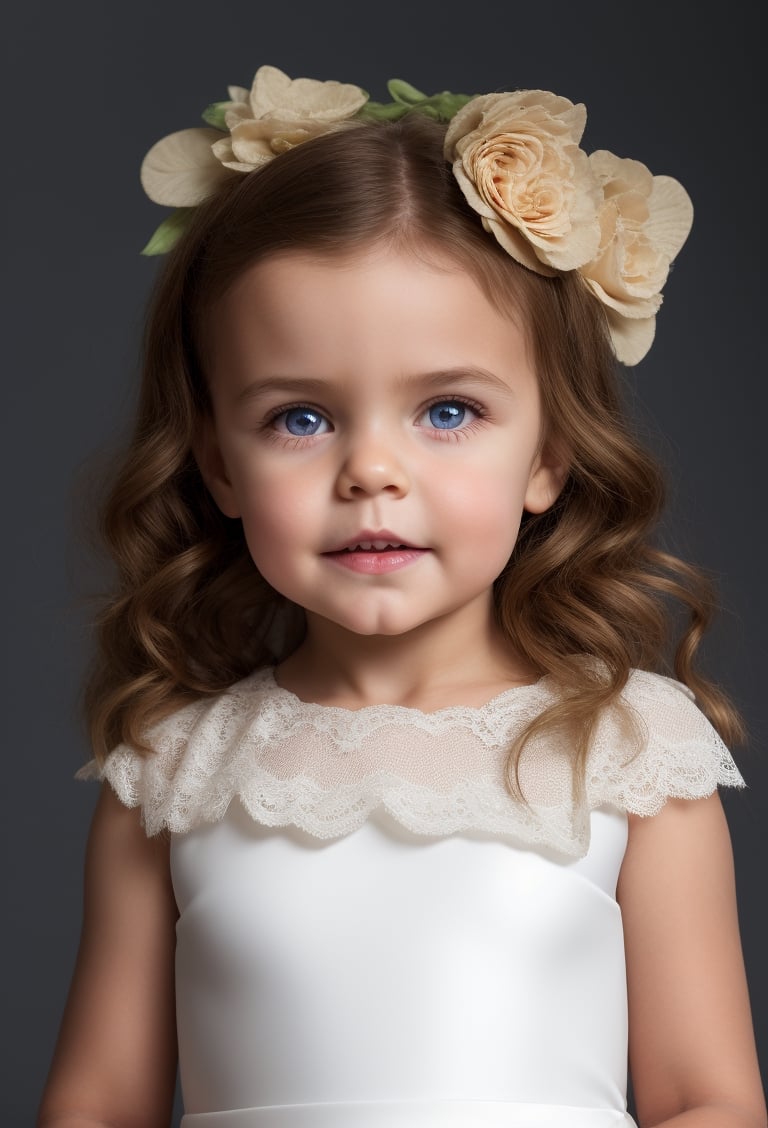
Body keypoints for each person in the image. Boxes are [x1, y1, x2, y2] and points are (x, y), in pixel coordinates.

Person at [38, 66, 767, 1128]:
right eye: (299, 418)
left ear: (549, 456)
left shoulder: (632, 753)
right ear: (219, 467)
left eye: (448, 411)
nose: (371, 471)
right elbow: (99, 1103)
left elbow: (710, 1099)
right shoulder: (171, 775)